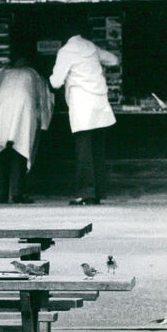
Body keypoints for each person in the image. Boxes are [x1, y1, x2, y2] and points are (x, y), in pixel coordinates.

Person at [49, 31, 119, 205]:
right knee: (97, 150)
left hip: (82, 105)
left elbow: (55, 82)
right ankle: (98, 192)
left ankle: (86, 193)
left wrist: (53, 76)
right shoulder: (91, 47)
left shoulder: (66, 51)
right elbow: (114, 60)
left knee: (83, 151)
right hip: (100, 104)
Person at [0, 58, 54, 204]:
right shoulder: (34, 74)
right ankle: (17, 193)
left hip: (1, 109)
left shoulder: (4, 73)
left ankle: (3, 193)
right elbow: (44, 99)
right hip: (23, 109)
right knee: (19, 148)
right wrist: (44, 123)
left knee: (0, 148)